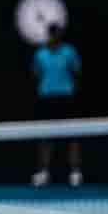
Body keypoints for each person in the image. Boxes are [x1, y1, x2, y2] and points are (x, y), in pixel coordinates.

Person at [31, 22, 83, 186]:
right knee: (46, 137)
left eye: (56, 33)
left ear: (60, 35)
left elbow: (77, 73)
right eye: (52, 33)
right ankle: (44, 173)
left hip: (66, 98)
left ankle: (75, 173)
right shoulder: (40, 54)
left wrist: (68, 87)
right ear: (49, 35)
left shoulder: (69, 52)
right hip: (47, 99)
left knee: (72, 136)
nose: (54, 36)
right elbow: (36, 74)